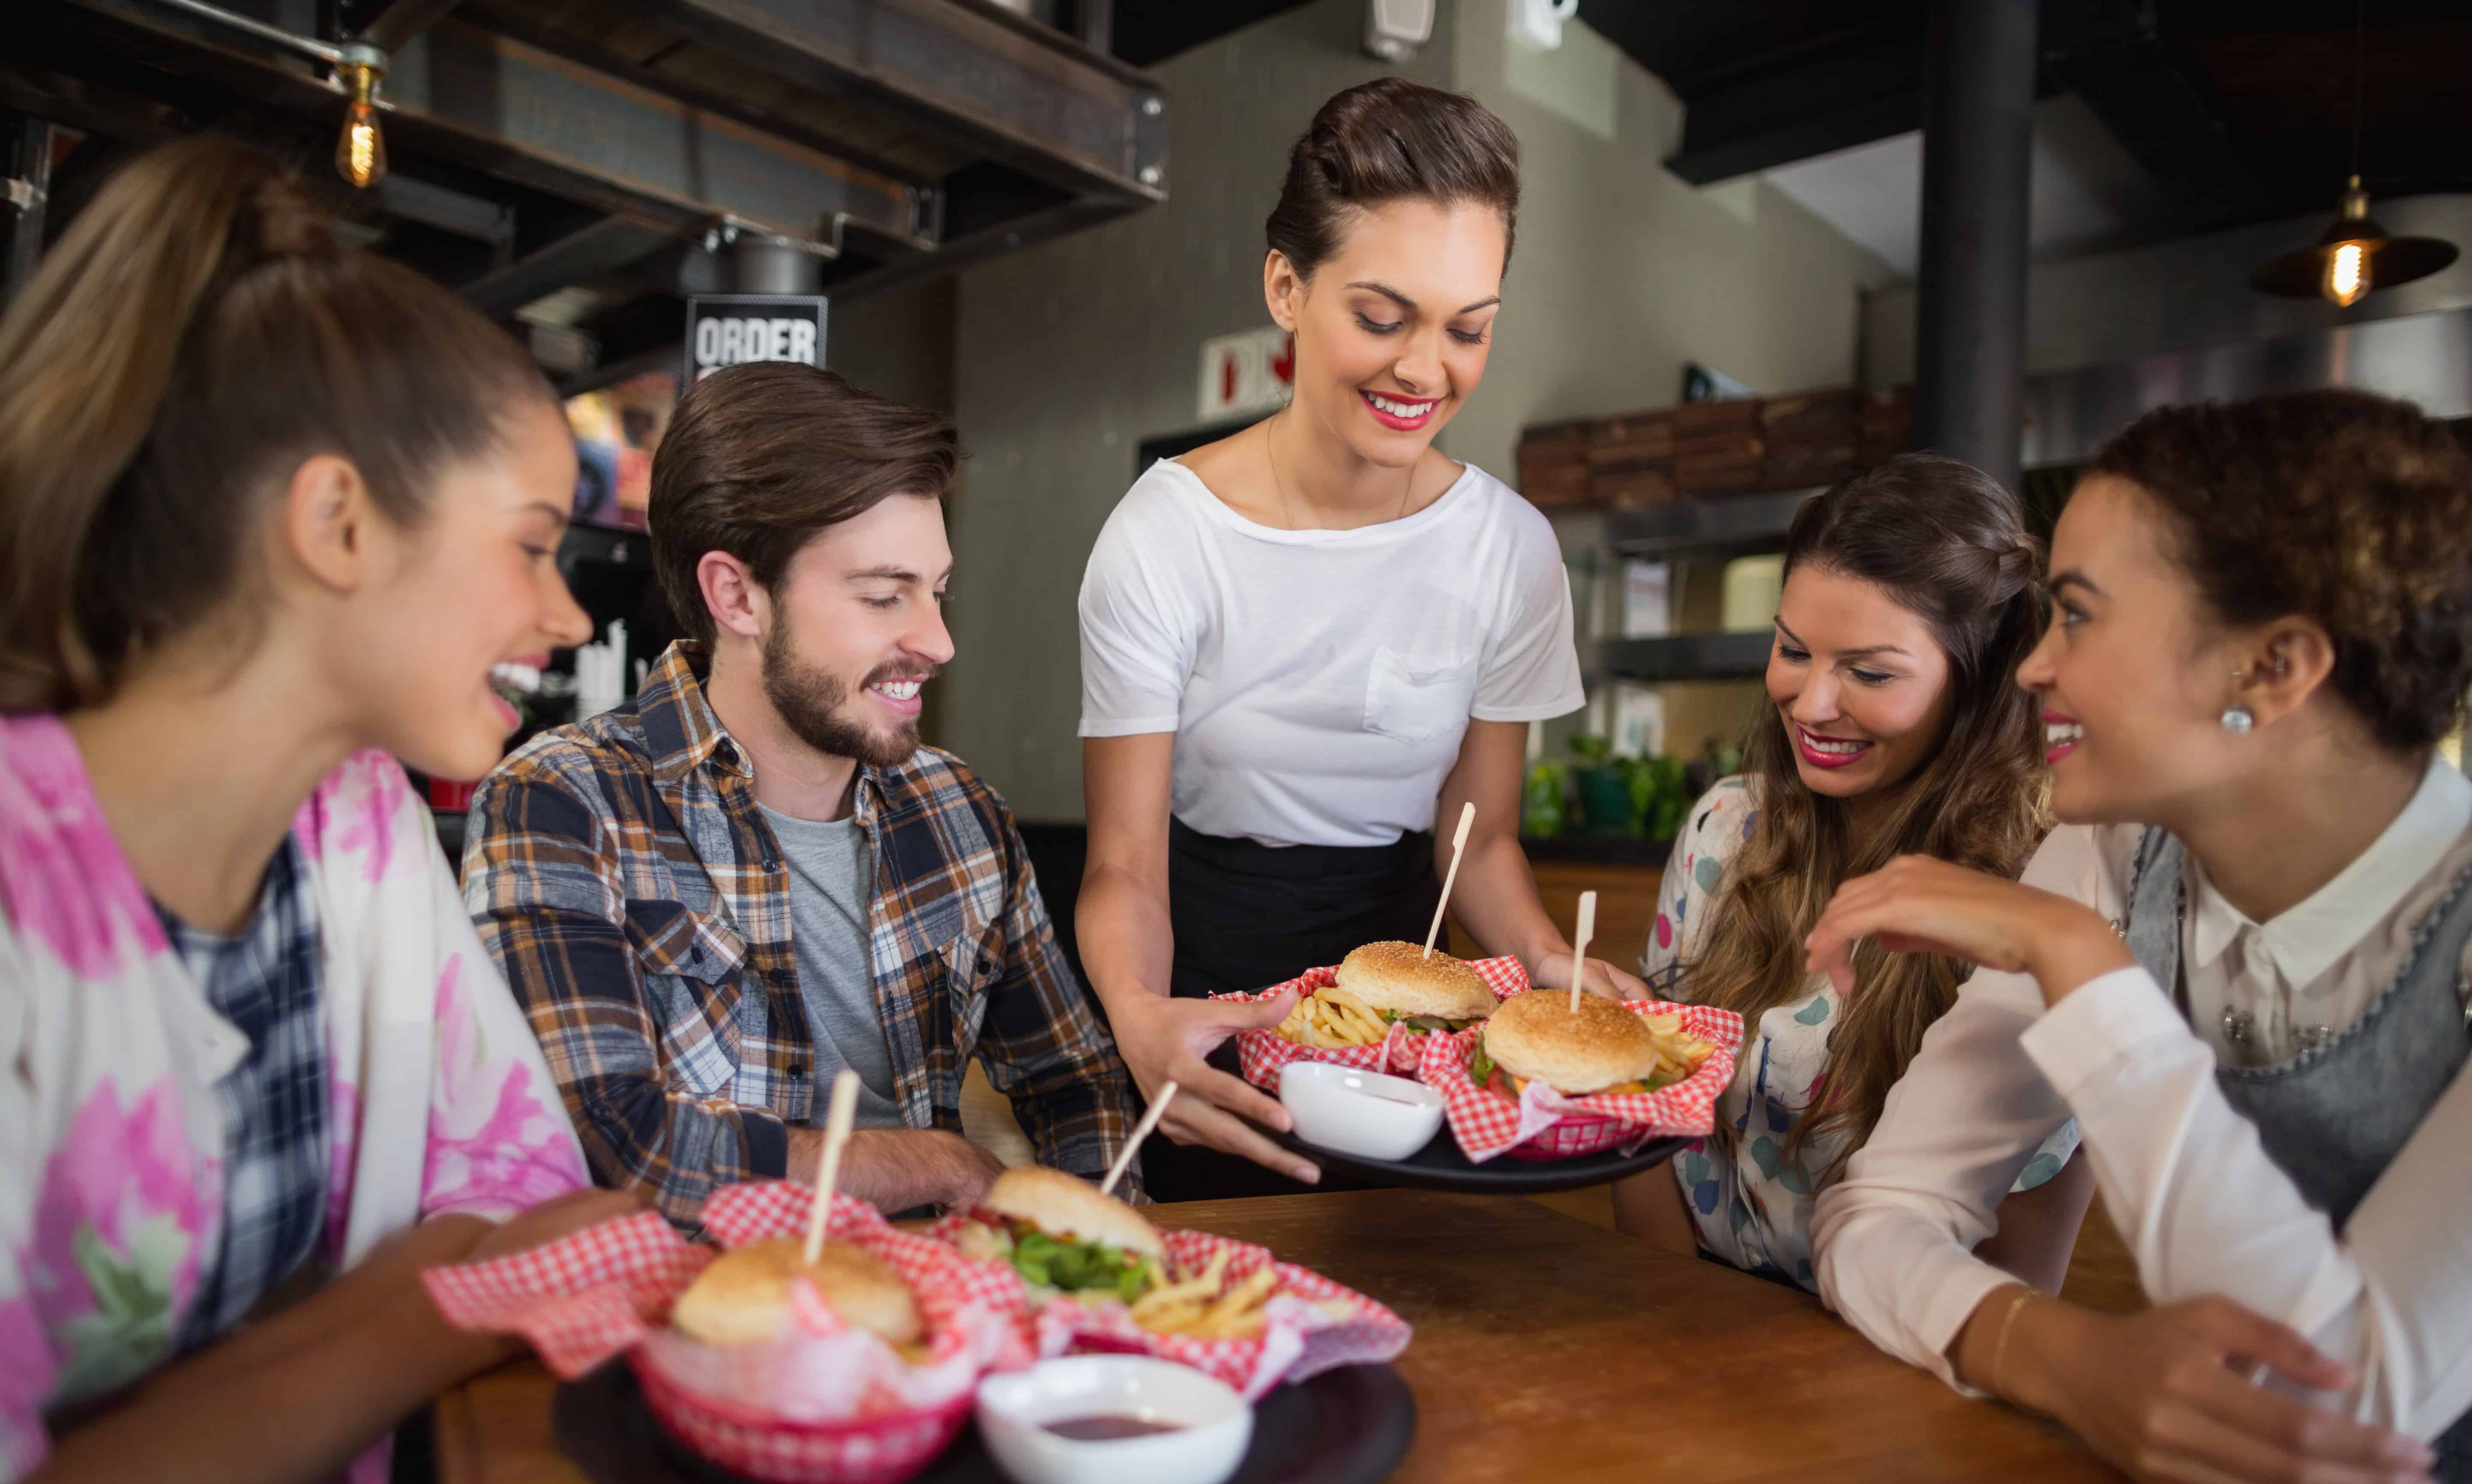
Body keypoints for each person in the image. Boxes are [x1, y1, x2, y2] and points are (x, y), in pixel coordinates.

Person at [0, 136, 636, 1484]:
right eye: (536, 548)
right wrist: (421, 1303)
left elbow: (525, 1205)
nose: (562, 614)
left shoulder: (352, 823)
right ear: (338, 525)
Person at [1807, 389, 2472, 1484]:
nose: (2031, 668)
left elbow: (2338, 1410)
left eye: (2078, 616)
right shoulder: (2114, 851)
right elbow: (1874, 1213)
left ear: (2271, 668)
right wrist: (2063, 1357)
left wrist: (2075, 961)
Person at [1077, 79, 1643, 1201]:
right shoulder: (1164, 535)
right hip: (1211, 973)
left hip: (1418, 995)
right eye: (1382, 318)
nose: (1425, 370)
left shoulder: (1511, 551)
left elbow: (1475, 843)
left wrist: (1540, 958)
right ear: (1286, 287)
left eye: (1467, 328)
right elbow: (1125, 863)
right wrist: (1143, 1019)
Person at [465, 363, 1143, 1227]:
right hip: (689, 1322)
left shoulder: (960, 812)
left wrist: (1095, 1265)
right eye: (882, 595)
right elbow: (614, 1142)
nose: (937, 641)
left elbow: (1072, 1082)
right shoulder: (561, 802)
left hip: (952, 1322)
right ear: (736, 595)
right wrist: (936, 1163)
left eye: (936, 592)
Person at [1613, 456, 2090, 1290]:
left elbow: (2021, 1266)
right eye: (1793, 650)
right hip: (1692, 1311)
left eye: (1870, 673)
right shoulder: (1725, 829)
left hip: (1901, 1356)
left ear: (1974, 685)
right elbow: (1651, 1120)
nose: (1811, 703)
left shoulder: (2036, 897)